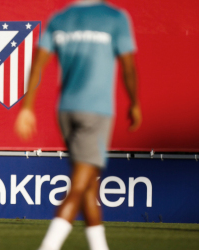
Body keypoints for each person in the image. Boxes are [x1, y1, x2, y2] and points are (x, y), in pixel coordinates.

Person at [15, 0, 142, 249]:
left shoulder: (59, 19)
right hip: (95, 112)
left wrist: (27, 107)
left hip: (65, 111)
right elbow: (128, 67)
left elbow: (37, 65)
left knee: (88, 186)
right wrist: (135, 103)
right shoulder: (115, 17)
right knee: (80, 184)